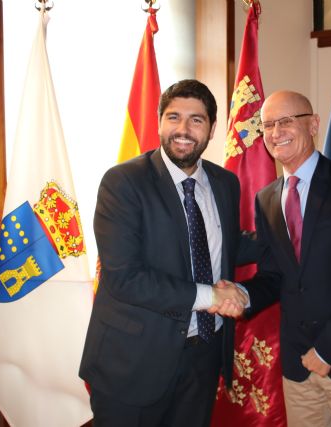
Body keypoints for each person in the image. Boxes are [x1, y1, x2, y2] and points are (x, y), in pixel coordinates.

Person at [79, 79, 251, 427]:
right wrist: (212, 296)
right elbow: (126, 277)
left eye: (196, 120)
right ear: (159, 122)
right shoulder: (123, 183)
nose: (183, 129)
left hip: (203, 357)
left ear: (212, 129)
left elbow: (226, 247)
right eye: (173, 117)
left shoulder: (225, 183)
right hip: (133, 362)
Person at [220, 90, 331, 427]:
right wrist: (242, 295)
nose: (275, 132)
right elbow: (274, 274)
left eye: (286, 121)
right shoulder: (266, 199)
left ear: (313, 124)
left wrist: (328, 350)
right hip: (297, 367)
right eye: (268, 124)